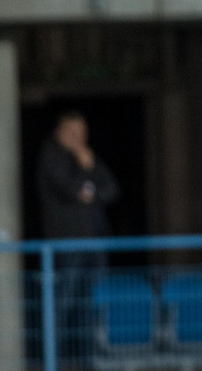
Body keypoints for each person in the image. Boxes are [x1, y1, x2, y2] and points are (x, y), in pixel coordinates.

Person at [37, 111, 121, 361]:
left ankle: (87, 360)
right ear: (59, 132)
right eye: (71, 132)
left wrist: (89, 185)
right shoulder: (51, 155)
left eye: (81, 133)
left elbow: (111, 189)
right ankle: (53, 360)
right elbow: (69, 189)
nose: (77, 138)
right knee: (62, 304)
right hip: (66, 244)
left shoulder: (87, 156)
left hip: (93, 243)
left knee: (90, 305)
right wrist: (86, 172)